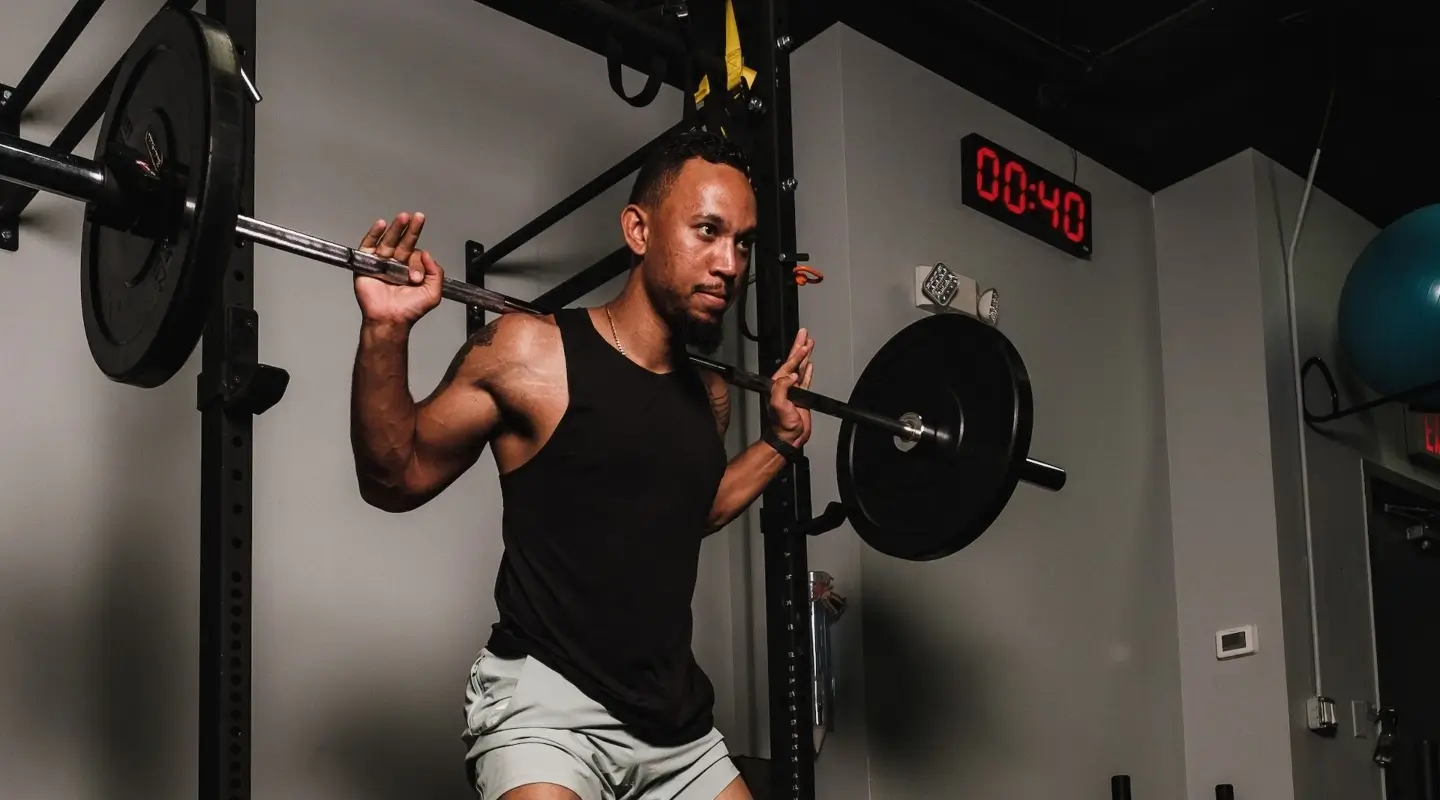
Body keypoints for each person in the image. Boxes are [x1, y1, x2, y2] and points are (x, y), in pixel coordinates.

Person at [347, 130, 816, 800]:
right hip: (547, 705)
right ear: (638, 230)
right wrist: (386, 332)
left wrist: (779, 443)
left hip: (674, 725)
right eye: (708, 231)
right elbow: (394, 479)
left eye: (742, 243)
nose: (729, 264)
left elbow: (688, 510)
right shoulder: (527, 353)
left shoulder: (709, 392)